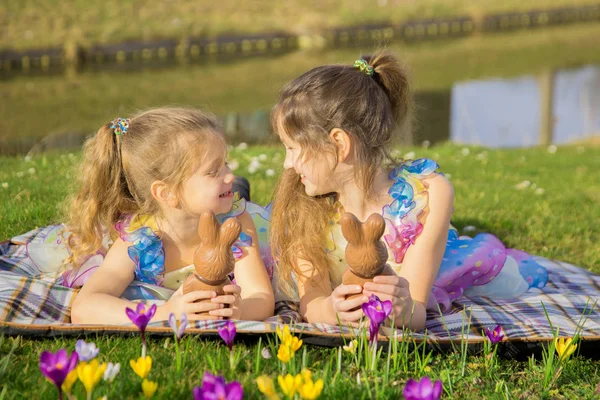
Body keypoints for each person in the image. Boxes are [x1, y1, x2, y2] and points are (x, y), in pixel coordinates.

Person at [268, 53, 548, 331]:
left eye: (293, 149)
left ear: (340, 144)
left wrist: (400, 307)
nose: (287, 164)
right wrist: (329, 310)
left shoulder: (427, 196)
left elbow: (414, 313)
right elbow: (312, 300)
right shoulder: (304, 205)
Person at [61, 107, 274, 324]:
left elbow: (262, 297)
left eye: (226, 164)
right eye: (213, 171)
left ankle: (240, 188)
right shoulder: (140, 241)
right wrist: (165, 313)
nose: (229, 175)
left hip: (231, 208)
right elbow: (84, 307)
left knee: (241, 197)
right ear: (167, 193)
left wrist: (240, 312)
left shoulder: (235, 223)